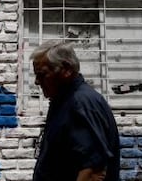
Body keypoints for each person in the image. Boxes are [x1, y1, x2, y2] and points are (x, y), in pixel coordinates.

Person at [31, 40, 120, 181]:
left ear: (66, 69)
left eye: (42, 74)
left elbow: (92, 171)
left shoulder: (79, 103)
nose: (36, 81)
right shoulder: (64, 101)